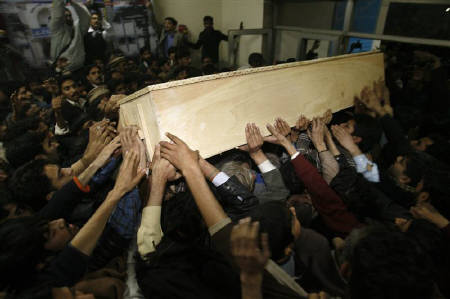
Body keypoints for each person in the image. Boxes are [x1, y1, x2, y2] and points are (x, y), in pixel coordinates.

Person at [50, 0, 91, 72]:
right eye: (66, 16)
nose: (68, 18)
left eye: (70, 15)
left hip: (79, 69)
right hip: (62, 70)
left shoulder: (78, 28)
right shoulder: (57, 29)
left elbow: (86, 16)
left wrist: (73, 2)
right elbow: (57, 15)